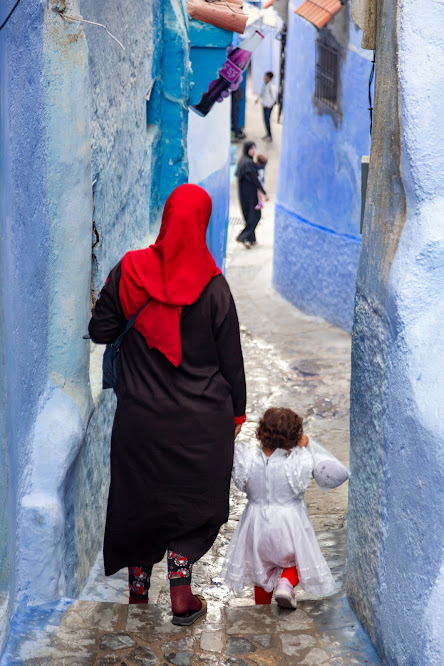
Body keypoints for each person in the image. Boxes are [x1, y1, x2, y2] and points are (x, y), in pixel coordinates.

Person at [88, 184, 247, 626]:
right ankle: (181, 592)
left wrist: (113, 295)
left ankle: (138, 592)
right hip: (201, 425)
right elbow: (232, 364)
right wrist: (237, 415)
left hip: (139, 420)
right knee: (194, 503)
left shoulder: (129, 272)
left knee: (138, 500)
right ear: (202, 224)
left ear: (166, 218)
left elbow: (100, 331)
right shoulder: (215, 290)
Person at [221, 407, 349, 608]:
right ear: (295, 437)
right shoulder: (299, 460)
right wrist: (309, 446)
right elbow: (338, 474)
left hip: (256, 524)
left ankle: (261, 608)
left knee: (262, 570)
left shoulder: (245, 458)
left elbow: (225, 452)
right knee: (301, 558)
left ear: (261, 431)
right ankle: (286, 584)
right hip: (289, 523)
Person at [236, 141, 269, 248]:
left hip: (244, 194)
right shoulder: (248, 163)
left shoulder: (243, 161)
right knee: (256, 215)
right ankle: (242, 236)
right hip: (250, 194)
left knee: (250, 216)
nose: (254, 151)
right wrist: (264, 193)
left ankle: (251, 239)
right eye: (252, 149)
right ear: (247, 149)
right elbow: (255, 179)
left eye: (254, 148)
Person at [256, 71, 277, 142]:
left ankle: (270, 136)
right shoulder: (264, 85)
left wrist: (269, 105)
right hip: (264, 104)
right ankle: (267, 134)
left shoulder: (271, 86)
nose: (264, 78)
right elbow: (262, 93)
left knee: (267, 120)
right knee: (265, 120)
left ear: (269, 78)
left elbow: (274, 98)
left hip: (268, 106)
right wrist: (258, 99)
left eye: (266, 77)